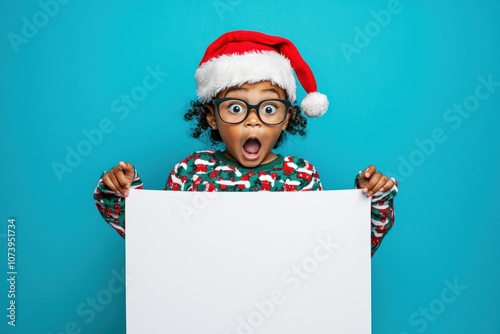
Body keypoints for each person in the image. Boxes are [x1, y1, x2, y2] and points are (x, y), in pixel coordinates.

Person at [93, 30, 398, 255]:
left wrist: (372, 200)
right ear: (212, 116)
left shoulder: (301, 176)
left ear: (288, 118)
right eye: (236, 108)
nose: (253, 121)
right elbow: (154, 243)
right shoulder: (191, 172)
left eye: (268, 109)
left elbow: (341, 255)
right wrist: (121, 190)